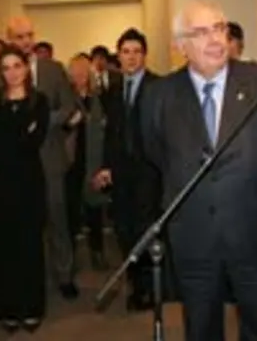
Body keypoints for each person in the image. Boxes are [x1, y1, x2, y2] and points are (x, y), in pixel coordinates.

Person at [141, 1, 257, 341]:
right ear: (180, 45)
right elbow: (155, 154)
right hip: (192, 235)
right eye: (202, 32)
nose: (215, 39)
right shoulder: (159, 95)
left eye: (220, 28)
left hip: (252, 230)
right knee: (201, 328)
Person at [6, 16, 79, 299]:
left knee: (57, 219)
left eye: (29, 35)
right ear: (9, 39)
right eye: (19, 37)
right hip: (18, 162)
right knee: (24, 224)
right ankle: (29, 279)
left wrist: (38, 120)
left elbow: (69, 108)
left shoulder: (53, 69)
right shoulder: (1, 74)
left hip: (49, 156)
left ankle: (64, 275)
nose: (25, 42)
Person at [92, 28, 162, 310]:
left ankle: (146, 289)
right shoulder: (112, 91)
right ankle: (134, 281)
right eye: (126, 52)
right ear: (118, 56)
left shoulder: (159, 87)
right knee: (123, 228)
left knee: (145, 228)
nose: (131, 58)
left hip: (149, 171)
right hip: (121, 172)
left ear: (144, 55)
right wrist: (106, 167)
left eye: (136, 52)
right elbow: (111, 134)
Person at [0, 47, 49, 332]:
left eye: (17, 66)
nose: (12, 72)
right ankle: (8, 308)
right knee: (4, 248)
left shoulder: (40, 102)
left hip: (29, 184)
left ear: (27, 68)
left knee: (30, 247)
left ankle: (32, 307)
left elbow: (32, 141)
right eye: (6, 68)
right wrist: (16, 135)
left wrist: (10, 139)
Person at [65, 53, 109, 271]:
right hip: (72, 162)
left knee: (95, 211)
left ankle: (97, 251)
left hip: (94, 160)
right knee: (71, 213)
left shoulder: (98, 98)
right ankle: (70, 257)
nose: (80, 77)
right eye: (76, 73)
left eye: (83, 72)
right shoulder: (66, 99)